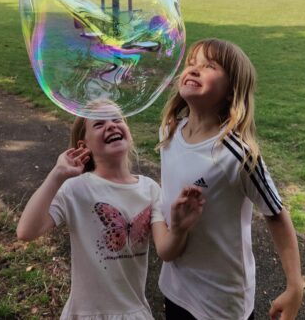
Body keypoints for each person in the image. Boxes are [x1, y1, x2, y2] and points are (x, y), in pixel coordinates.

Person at [16, 100, 204, 320]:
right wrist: (57, 175)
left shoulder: (150, 189)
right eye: (99, 124)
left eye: (117, 120)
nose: (111, 126)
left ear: (129, 134)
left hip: (133, 314)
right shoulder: (76, 188)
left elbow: (166, 251)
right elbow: (26, 231)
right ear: (83, 145)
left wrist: (180, 228)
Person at [158, 38, 303, 320]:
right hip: (175, 287)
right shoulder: (168, 131)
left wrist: (295, 286)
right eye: (192, 64)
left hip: (221, 300)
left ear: (231, 91)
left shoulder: (237, 154)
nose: (195, 70)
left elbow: (276, 213)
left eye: (210, 66)